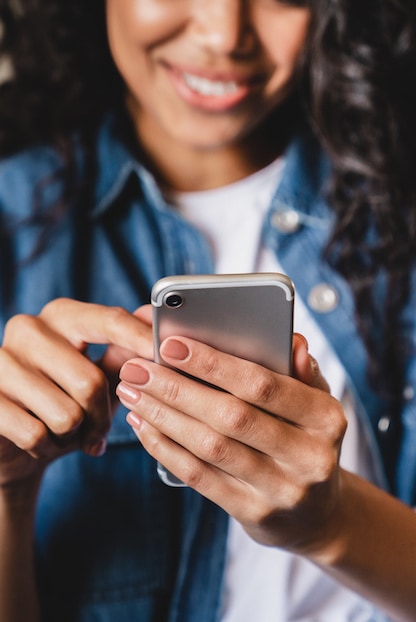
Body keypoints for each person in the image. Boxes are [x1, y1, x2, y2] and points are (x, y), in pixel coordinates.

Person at [0, 1, 415, 621]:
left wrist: (330, 523)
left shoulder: (400, 210)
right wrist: (7, 490)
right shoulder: (12, 223)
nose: (224, 35)